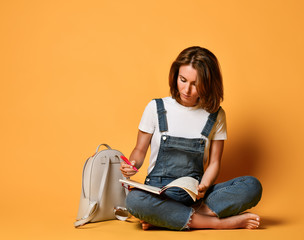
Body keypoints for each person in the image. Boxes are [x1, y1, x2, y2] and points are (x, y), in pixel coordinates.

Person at [120, 46, 262, 231]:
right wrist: (132, 165)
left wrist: (204, 185)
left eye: (195, 84)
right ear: (175, 76)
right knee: (134, 200)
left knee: (252, 186)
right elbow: (140, 150)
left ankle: (166, 217)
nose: (187, 89)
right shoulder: (155, 107)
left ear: (208, 83)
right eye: (183, 80)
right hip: (158, 194)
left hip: (195, 195)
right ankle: (216, 223)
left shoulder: (215, 115)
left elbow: (214, 163)